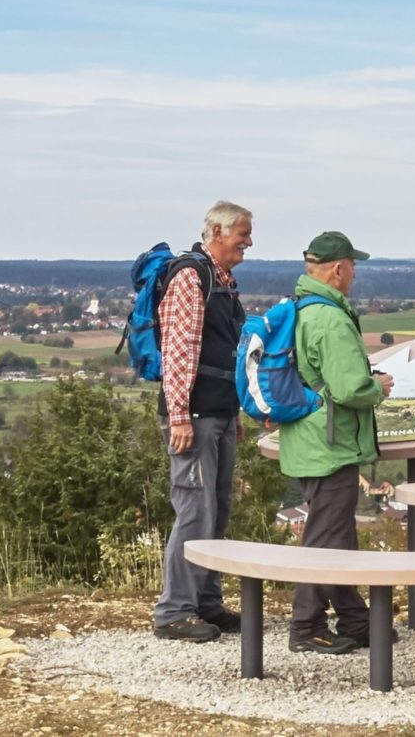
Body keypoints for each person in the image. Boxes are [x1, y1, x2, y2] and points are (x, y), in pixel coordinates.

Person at [281, 231, 394, 655]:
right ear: (339, 269)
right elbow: (349, 389)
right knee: (326, 539)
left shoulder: (303, 308)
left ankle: (355, 619)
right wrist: (377, 386)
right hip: (329, 445)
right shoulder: (329, 318)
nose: (354, 274)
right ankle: (305, 626)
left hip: (311, 440)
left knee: (338, 534)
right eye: (353, 267)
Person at [152, 201, 252, 642]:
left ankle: (207, 603)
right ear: (216, 230)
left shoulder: (223, 282)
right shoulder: (191, 278)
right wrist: (179, 416)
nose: (248, 242)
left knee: (219, 507)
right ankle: (174, 611)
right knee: (195, 509)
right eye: (242, 234)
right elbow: (179, 354)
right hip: (193, 415)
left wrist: (235, 411)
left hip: (220, 411)